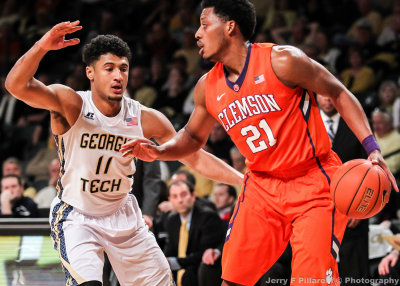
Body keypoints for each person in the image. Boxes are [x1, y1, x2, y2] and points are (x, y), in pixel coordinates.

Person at [120, 1, 399, 285]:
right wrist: (160, 151)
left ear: (230, 27)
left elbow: (338, 93)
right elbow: (192, 137)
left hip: (313, 181)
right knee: (231, 279)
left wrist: (372, 149)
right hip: (262, 188)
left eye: (205, 25)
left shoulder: (282, 60)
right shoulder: (207, 86)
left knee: (311, 281)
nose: (196, 34)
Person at [5, 21, 243, 286]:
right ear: (90, 73)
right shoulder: (71, 103)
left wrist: (244, 181)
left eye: (124, 69)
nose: (118, 76)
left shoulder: (145, 118)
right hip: (78, 216)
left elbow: (194, 155)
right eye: (109, 69)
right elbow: (16, 85)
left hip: (123, 214)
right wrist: (41, 46)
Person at [317, 94, 369, 285]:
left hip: (351, 205)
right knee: (317, 268)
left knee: (354, 273)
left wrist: (361, 206)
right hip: (316, 204)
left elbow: (368, 167)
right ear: (315, 96)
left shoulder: (353, 122)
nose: (327, 99)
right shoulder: (306, 123)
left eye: (330, 94)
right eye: (322, 95)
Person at [164, 180, 224, 286]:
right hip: (179, 270)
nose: (180, 200)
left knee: (189, 275)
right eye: (175, 196)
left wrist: (175, 262)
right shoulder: (171, 220)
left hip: (200, 270)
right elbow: (170, 250)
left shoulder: (208, 217)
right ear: (170, 200)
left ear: (193, 196)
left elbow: (204, 254)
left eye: (183, 195)